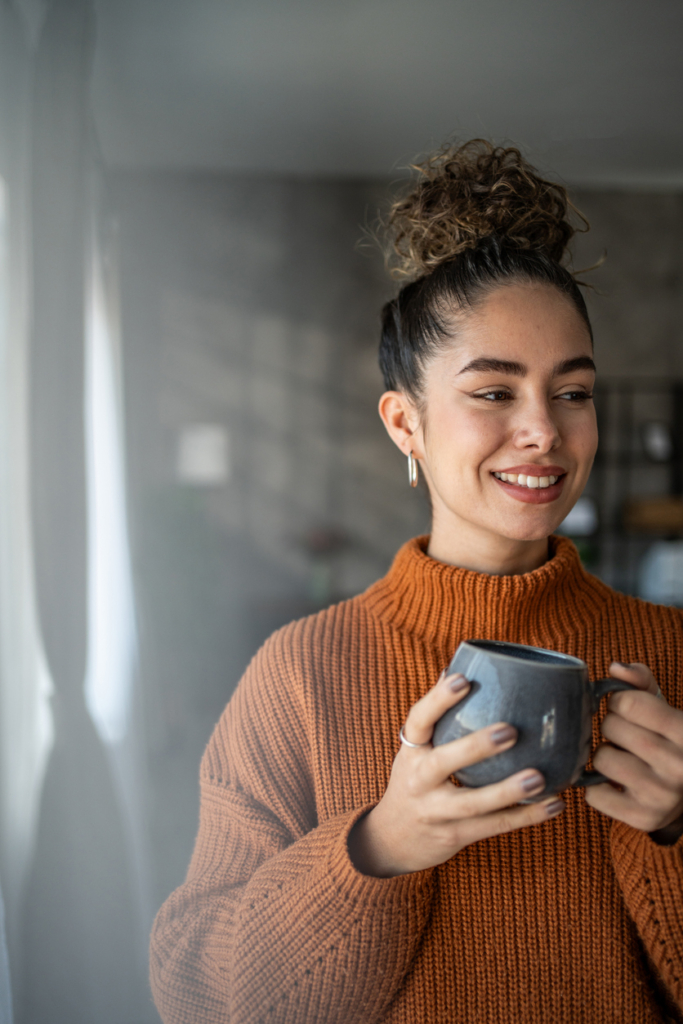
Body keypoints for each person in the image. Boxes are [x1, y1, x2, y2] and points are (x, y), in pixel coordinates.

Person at [150, 141, 683, 1024]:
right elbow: (197, 998)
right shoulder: (300, 674)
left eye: (573, 392)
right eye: (491, 393)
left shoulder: (668, 655)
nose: (542, 432)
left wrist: (674, 829)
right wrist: (378, 845)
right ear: (405, 422)